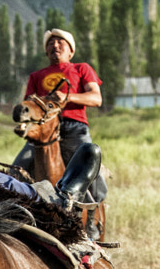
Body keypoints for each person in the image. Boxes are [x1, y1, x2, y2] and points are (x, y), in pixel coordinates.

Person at [12, 28, 107, 208]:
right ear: (46, 51)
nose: (54, 45)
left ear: (71, 51)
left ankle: (95, 216)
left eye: (60, 42)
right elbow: (28, 105)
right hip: (43, 130)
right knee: (16, 170)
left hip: (74, 128)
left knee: (90, 166)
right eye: (50, 43)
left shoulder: (81, 68)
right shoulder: (36, 76)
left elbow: (96, 98)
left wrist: (68, 96)